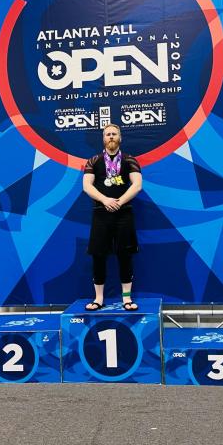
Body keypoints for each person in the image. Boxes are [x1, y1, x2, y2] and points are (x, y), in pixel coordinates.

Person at [82, 124, 143, 311]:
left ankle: (127, 298)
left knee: (125, 255)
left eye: (114, 134)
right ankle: (98, 298)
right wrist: (105, 200)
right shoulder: (93, 161)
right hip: (101, 213)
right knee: (98, 255)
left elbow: (137, 185)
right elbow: (87, 186)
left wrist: (119, 202)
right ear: (103, 138)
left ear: (120, 138)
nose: (111, 137)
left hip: (124, 214)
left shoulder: (130, 160)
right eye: (107, 134)